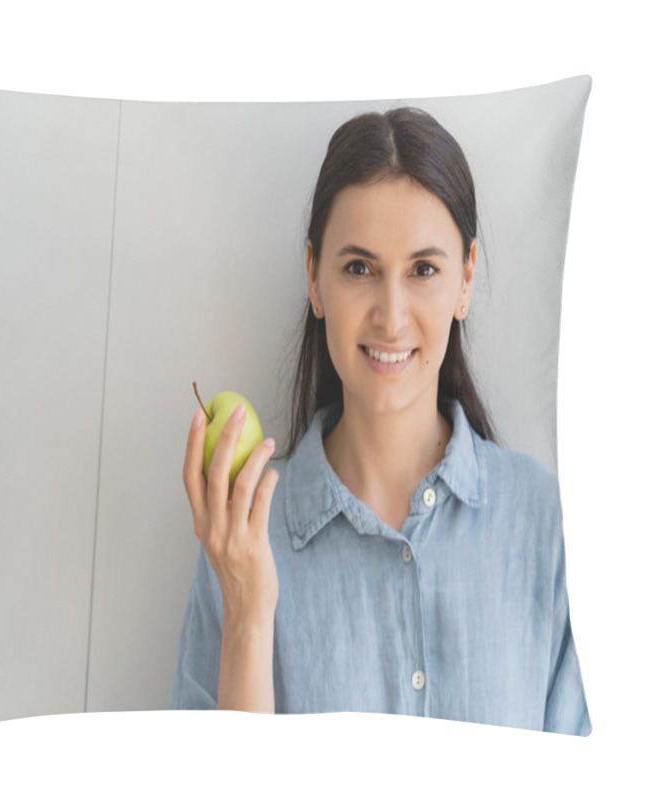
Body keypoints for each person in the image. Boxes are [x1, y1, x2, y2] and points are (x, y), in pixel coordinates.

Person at [171, 106, 591, 735]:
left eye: (424, 269)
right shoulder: (240, 542)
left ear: (466, 279)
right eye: (359, 269)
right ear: (315, 278)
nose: (391, 317)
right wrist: (250, 615)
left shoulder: (546, 524)